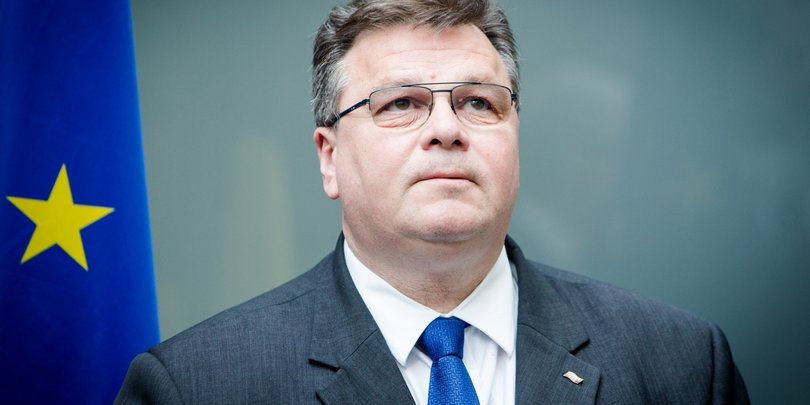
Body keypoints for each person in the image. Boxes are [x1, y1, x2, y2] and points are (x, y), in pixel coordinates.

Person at [116, 0, 749, 403]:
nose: (447, 129)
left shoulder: (683, 364)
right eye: (400, 103)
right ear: (329, 158)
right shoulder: (196, 386)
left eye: (478, 102)